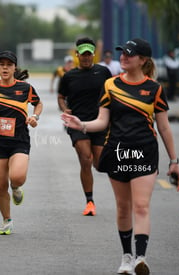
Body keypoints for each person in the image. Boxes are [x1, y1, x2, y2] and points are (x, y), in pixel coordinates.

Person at [62, 38, 179, 275]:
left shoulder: (155, 89)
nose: (123, 57)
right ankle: (126, 257)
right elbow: (102, 121)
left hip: (144, 153)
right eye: (122, 53)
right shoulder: (110, 85)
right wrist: (81, 125)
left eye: (129, 54)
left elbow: (165, 127)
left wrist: (174, 161)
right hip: (117, 152)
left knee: (140, 205)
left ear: (143, 60)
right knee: (123, 207)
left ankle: (140, 258)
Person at [0, 50, 43, 235]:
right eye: (2, 64)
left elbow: (38, 103)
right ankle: (7, 220)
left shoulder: (25, 89)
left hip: (19, 139)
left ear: (14, 68)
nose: (5, 68)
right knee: (0, 185)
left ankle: (16, 187)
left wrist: (34, 116)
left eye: (9, 65)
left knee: (17, 177)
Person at [58, 37, 112, 216]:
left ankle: (91, 198)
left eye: (89, 54)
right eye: (83, 55)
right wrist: (66, 109)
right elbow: (60, 96)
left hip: (99, 123)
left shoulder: (103, 72)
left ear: (94, 55)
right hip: (76, 123)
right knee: (86, 158)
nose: (86, 58)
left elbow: (113, 93)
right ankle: (90, 201)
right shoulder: (69, 76)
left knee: (99, 163)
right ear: (77, 55)